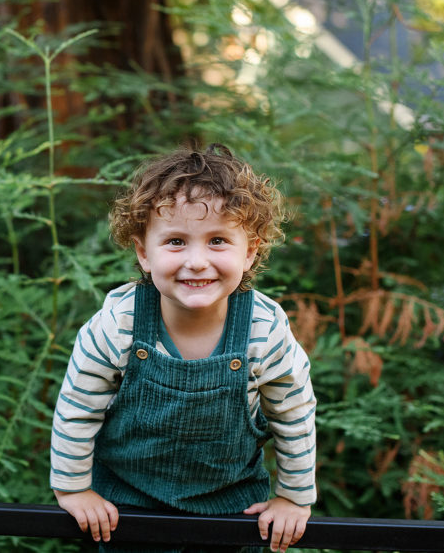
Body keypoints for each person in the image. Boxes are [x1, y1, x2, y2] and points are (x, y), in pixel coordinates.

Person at [50, 144, 317, 553]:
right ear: (143, 252)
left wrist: (293, 498)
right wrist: (73, 489)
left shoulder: (265, 331)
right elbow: (77, 407)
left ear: (250, 251)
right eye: (175, 241)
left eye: (217, 241)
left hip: (232, 511)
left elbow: (294, 413)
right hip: (125, 509)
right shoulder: (117, 323)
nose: (196, 261)